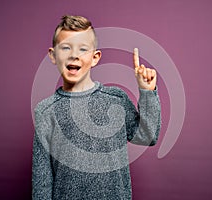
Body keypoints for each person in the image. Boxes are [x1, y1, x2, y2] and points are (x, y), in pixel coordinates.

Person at [32, 15, 161, 200]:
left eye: (83, 49)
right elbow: (42, 181)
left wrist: (147, 92)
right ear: (53, 55)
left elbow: (148, 137)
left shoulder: (116, 99)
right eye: (66, 47)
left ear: (95, 57)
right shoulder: (46, 111)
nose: (74, 54)